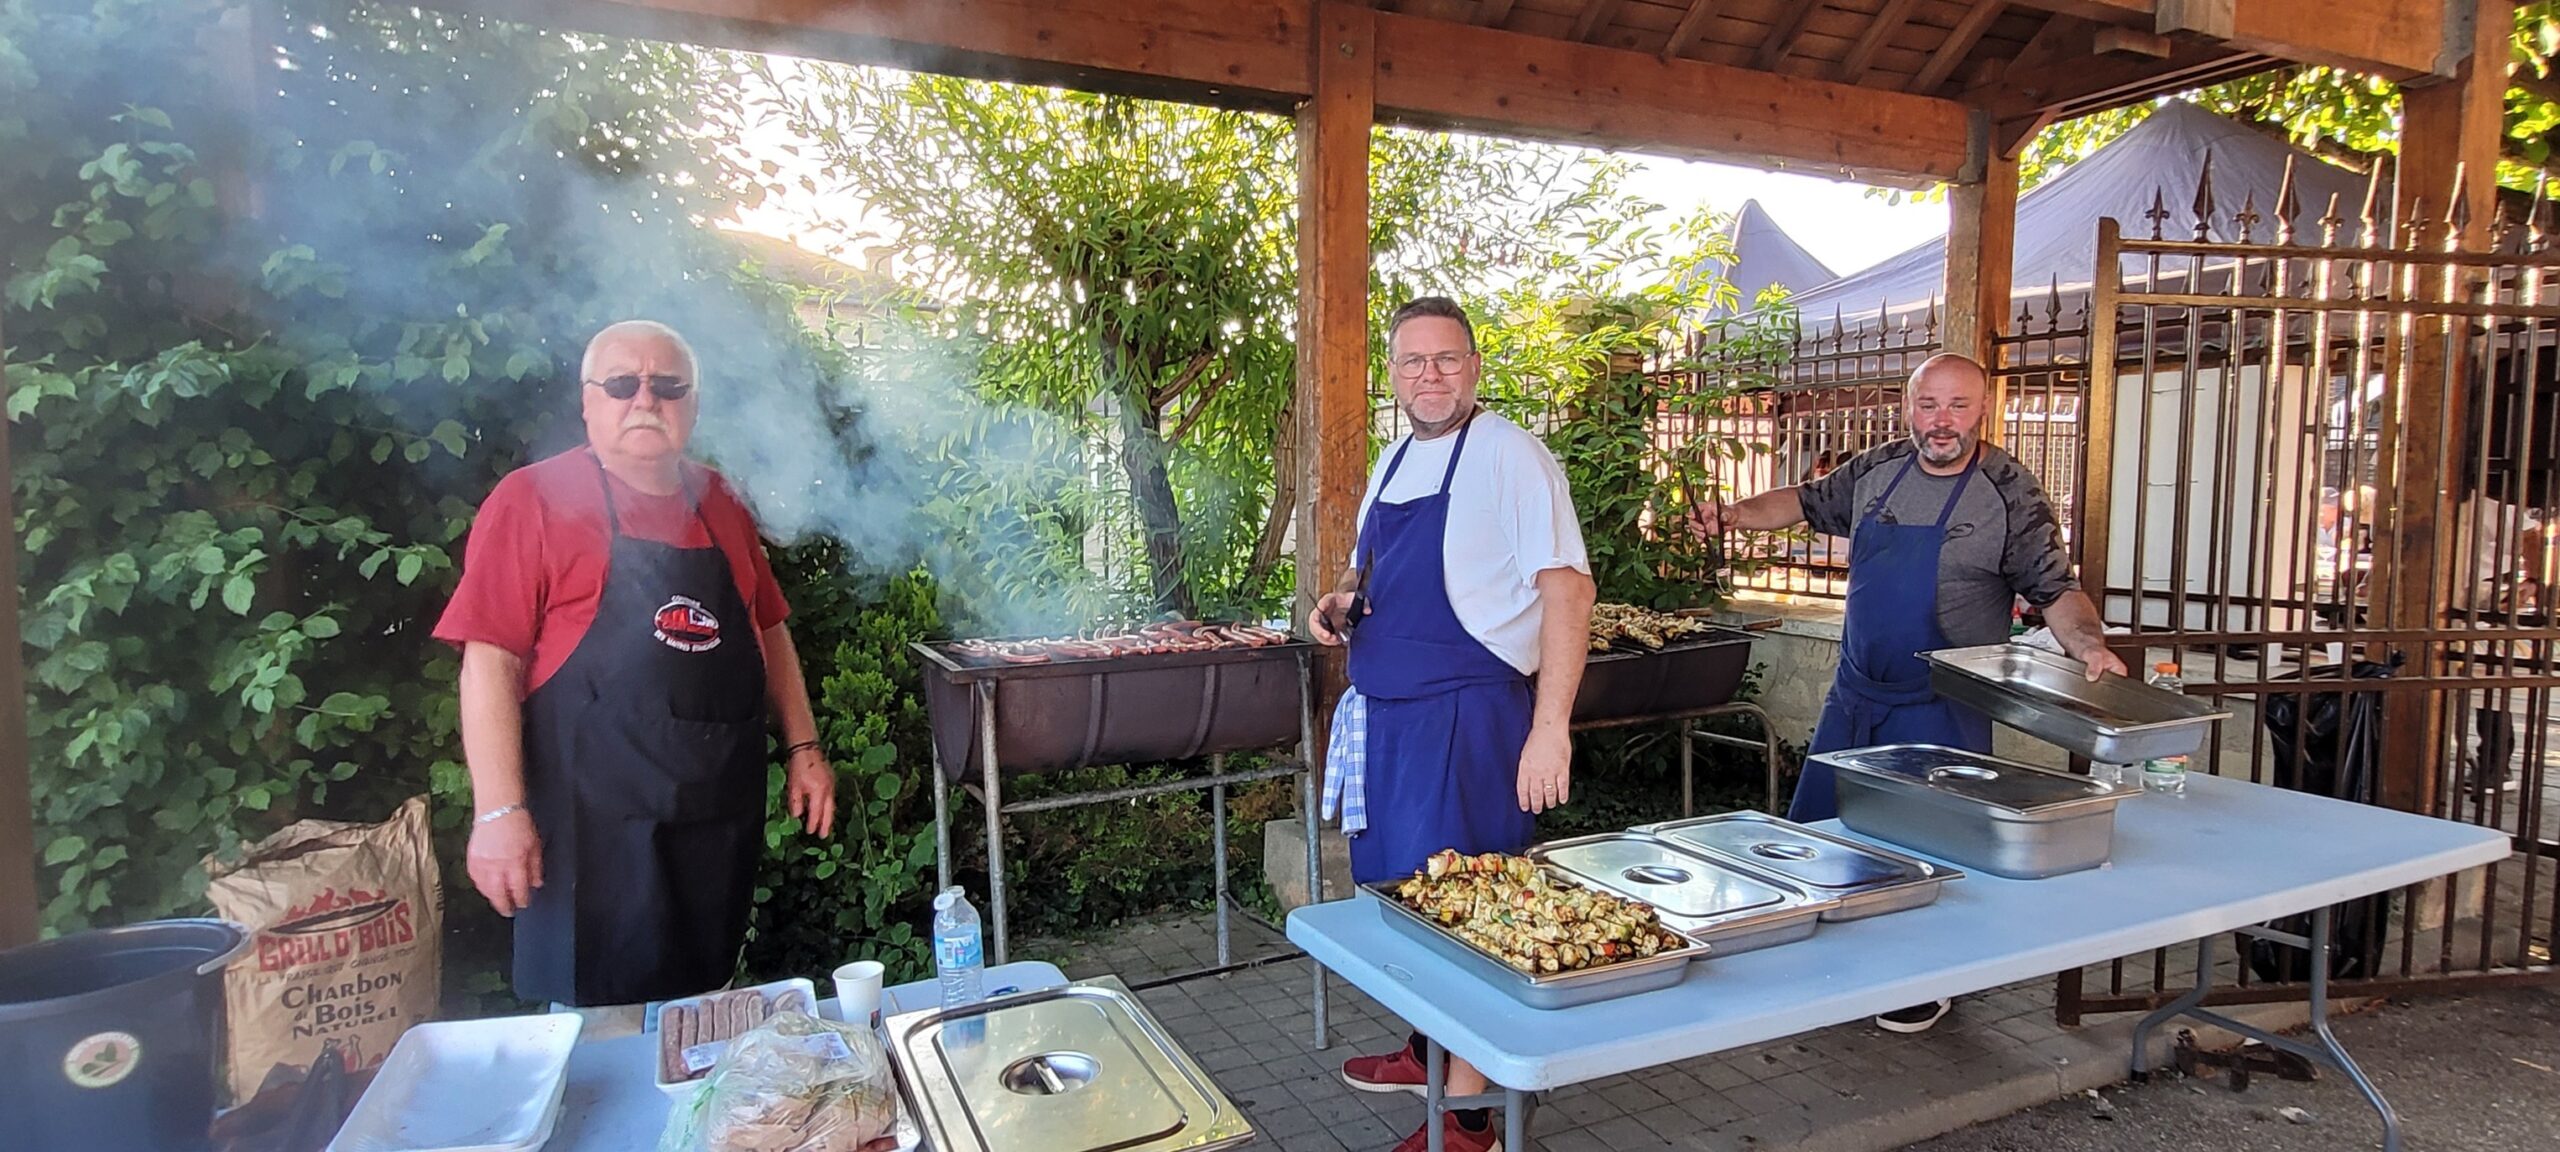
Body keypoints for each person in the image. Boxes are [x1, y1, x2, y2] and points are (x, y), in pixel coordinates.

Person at [1692, 353, 2124, 1033]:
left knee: (1935, 853)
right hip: (1857, 694)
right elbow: (1803, 504)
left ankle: (1925, 979)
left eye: (1957, 406)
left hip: (1943, 705)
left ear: (1982, 409)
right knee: (1827, 838)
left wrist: (2088, 642)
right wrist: (1733, 515)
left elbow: (2057, 589)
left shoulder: (2008, 490)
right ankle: (1828, 964)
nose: (1942, 422)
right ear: (1908, 408)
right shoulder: (1877, 471)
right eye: (1929, 406)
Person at [436, 320, 837, 1025]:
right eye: (622, 384)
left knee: (704, 1034)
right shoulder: (532, 500)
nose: (644, 399)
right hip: (591, 836)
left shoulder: (722, 503)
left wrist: (804, 748)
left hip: (711, 824)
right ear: (588, 402)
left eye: (668, 385)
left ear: (693, 404)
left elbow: (768, 630)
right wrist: (499, 811)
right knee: (600, 1053)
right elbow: (489, 660)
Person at [1309, 297, 1597, 1152]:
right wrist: (1343, 600)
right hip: (1392, 721)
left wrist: (1551, 729)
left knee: (1468, 911)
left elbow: (1569, 593)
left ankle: (1473, 1119)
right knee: (1406, 900)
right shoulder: (1396, 458)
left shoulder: (1512, 456)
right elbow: (1375, 566)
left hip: (1468, 717)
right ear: (1393, 375)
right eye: (1411, 362)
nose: (1428, 375)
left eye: (1445, 359)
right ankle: (1433, 1047)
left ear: (1474, 366)